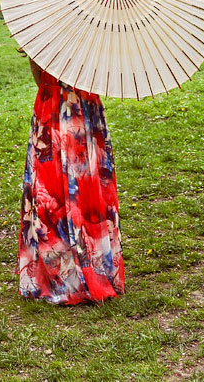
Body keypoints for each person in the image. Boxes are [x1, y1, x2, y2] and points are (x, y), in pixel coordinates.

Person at [18, 58, 124, 305]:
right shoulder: (96, 34)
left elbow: (39, 76)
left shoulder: (42, 34)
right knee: (85, 189)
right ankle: (92, 269)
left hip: (53, 107)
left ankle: (62, 276)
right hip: (85, 109)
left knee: (50, 189)